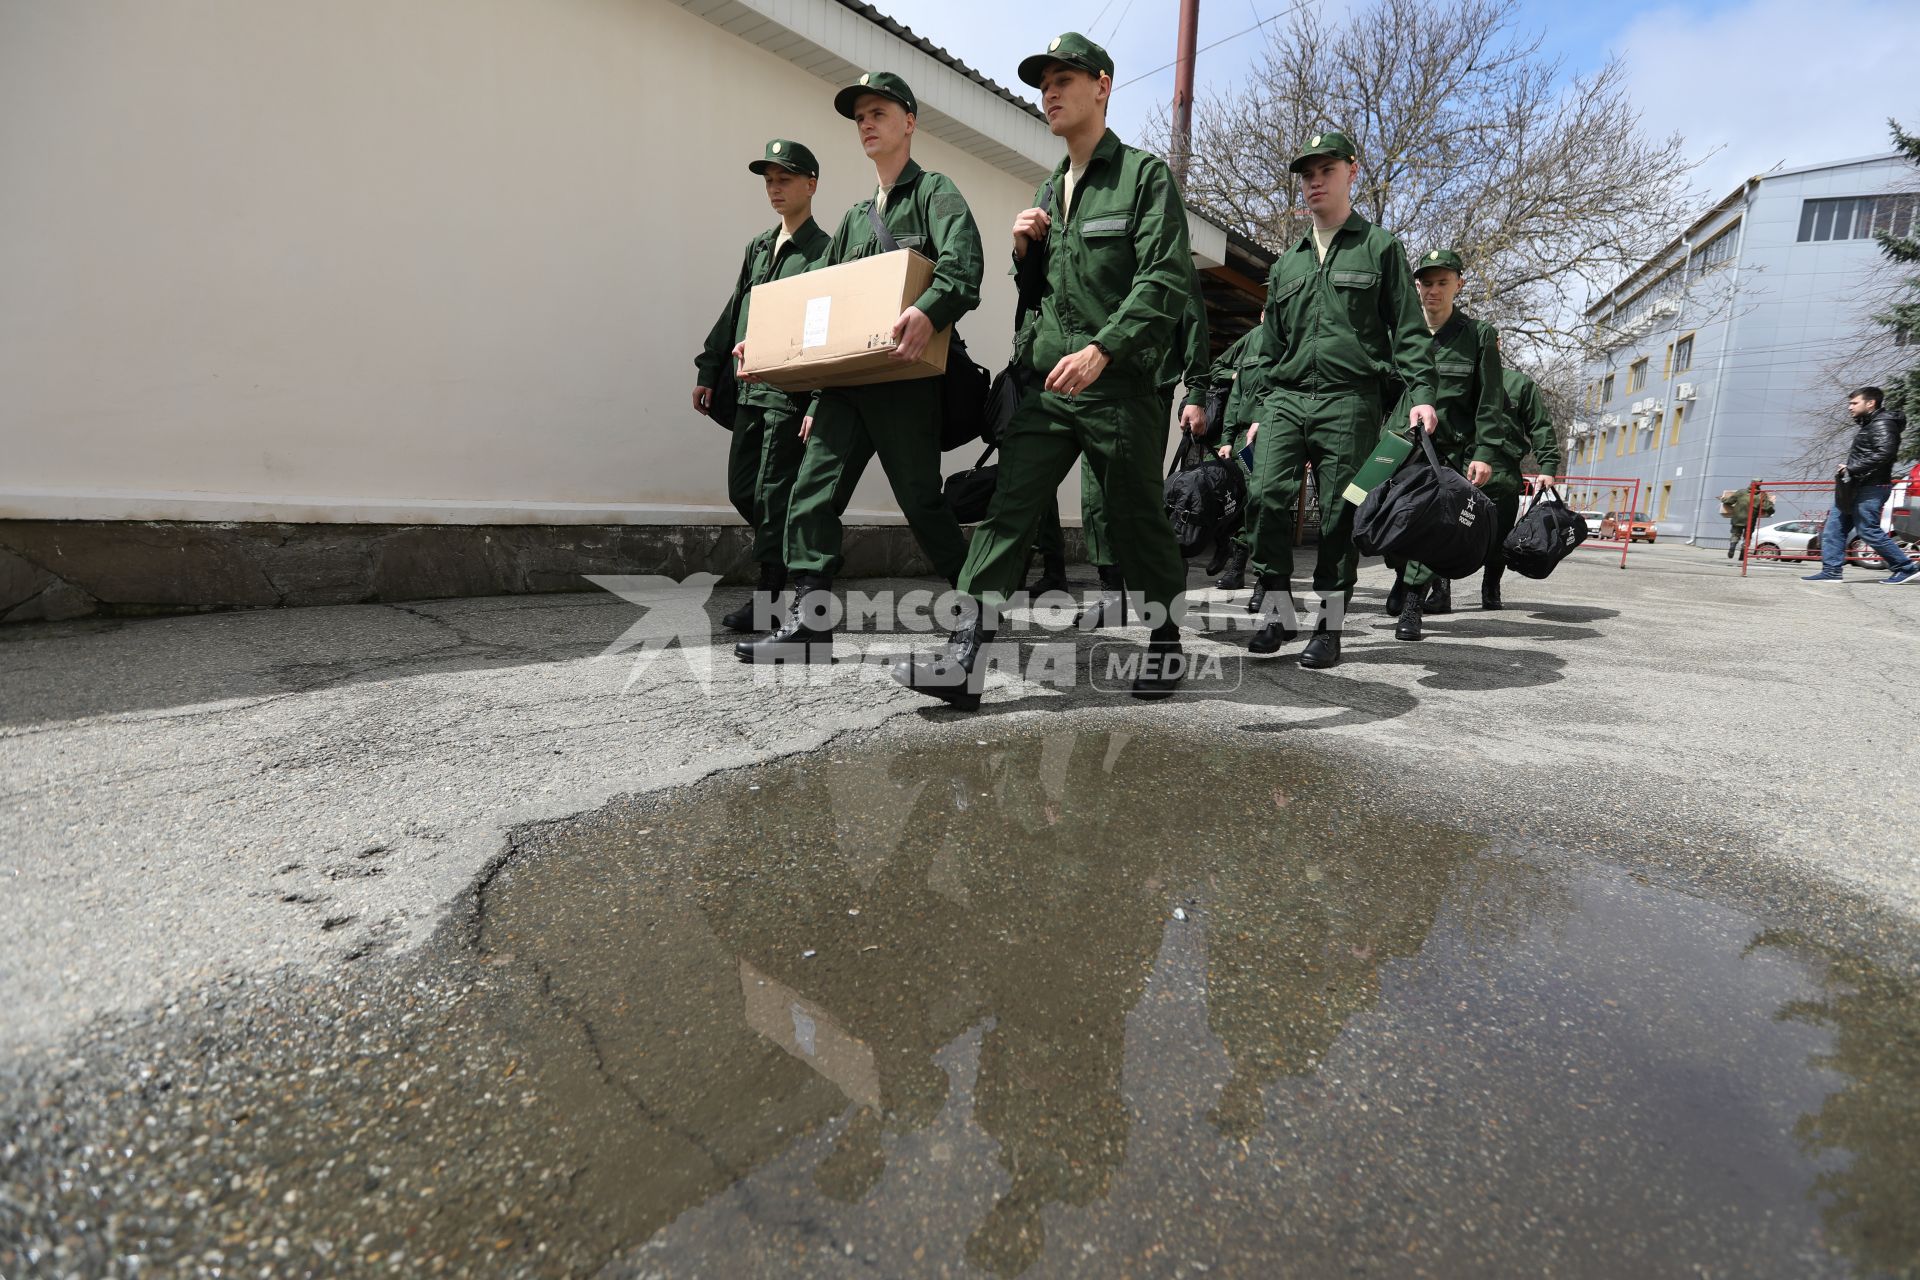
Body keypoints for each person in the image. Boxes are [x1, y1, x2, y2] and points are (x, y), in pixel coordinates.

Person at [893, 32, 1197, 707]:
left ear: (1103, 87)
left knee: (1136, 517)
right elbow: (1041, 298)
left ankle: (1166, 640)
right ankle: (965, 657)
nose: (1050, 93)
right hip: (1047, 386)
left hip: (1116, 384)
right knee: (1009, 511)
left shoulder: (1143, 178)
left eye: (1066, 79)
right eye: (1044, 83)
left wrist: (1104, 349)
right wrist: (1025, 253)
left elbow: (1164, 281)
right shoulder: (1047, 186)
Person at [735, 72, 985, 662]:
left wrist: (928, 310)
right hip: (847, 386)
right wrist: (794, 372)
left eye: (878, 112)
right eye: (860, 117)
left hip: (903, 381)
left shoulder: (935, 193)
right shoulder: (852, 219)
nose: (867, 124)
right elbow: (825, 304)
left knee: (923, 503)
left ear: (909, 122)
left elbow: (963, 266)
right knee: (811, 495)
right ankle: (809, 625)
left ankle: (978, 611)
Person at [1244, 132, 1438, 667]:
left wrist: (1421, 394)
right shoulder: (1287, 264)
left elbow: (1408, 330)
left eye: (1325, 170)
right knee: (1262, 496)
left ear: (1352, 171)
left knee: (1339, 513)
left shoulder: (1380, 249)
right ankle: (1277, 607)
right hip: (1286, 398)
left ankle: (1327, 631)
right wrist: (1260, 408)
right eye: (1307, 174)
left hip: (1349, 400)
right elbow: (1269, 345)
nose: (1314, 181)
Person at [693, 140, 833, 632]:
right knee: (742, 490)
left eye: (785, 179)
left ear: (811, 184)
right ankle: (795, 569)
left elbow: (826, 332)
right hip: (748, 390)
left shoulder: (824, 251)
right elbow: (735, 311)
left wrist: (819, 396)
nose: (775, 189)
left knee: (774, 496)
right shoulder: (759, 246)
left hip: (787, 393)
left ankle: (772, 599)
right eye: (769, 181)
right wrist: (709, 368)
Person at [1028, 262, 1209, 623]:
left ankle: (1161, 595)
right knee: (1095, 497)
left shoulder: (1168, 254)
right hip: (1093, 388)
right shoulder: (1093, 249)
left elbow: (1193, 321)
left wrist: (1197, 391)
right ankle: (1111, 591)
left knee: (1138, 497)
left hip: (1146, 388)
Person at [1379, 249, 1507, 639]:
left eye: (1442, 282)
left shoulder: (1478, 336)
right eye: (1426, 283)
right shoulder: (1398, 333)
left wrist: (1485, 453)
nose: (1433, 290)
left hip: (1448, 451)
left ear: (1458, 285)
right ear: (1416, 286)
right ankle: (1402, 575)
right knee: (1380, 519)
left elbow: (1490, 401)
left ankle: (1415, 602)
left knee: (1431, 526)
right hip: (1397, 446)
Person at [1803, 387, 1919, 585]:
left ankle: (1905, 567)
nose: (1850, 407)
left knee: (1867, 530)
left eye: (1854, 403)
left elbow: (1885, 453)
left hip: (1871, 487)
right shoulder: (1870, 424)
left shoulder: (1883, 424)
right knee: (1834, 528)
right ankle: (1831, 571)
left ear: (1870, 403)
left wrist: (1852, 468)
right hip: (1854, 486)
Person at [1479, 339, 1563, 609]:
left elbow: (1540, 426)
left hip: (1502, 472)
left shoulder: (1520, 384)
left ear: (1499, 346)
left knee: (1500, 535)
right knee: (1447, 533)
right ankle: (1439, 589)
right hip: (1459, 468)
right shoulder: (1459, 380)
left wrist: (1548, 466)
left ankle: (1491, 586)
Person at [1209, 314, 1272, 593]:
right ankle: (1230, 554)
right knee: (1231, 498)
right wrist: (1226, 439)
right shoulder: (1252, 339)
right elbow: (1235, 394)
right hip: (1240, 439)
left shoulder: (1295, 338)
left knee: (1259, 502)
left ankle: (1257, 572)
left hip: (1270, 436)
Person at [1723, 481, 1773, 562]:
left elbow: (1729, 501)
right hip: (1750, 520)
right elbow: (1767, 508)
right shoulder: (1762, 495)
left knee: (1735, 534)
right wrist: (1771, 509)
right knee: (1747, 537)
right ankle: (1742, 554)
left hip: (1737, 519)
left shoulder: (1741, 492)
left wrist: (1723, 499)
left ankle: (1732, 546)